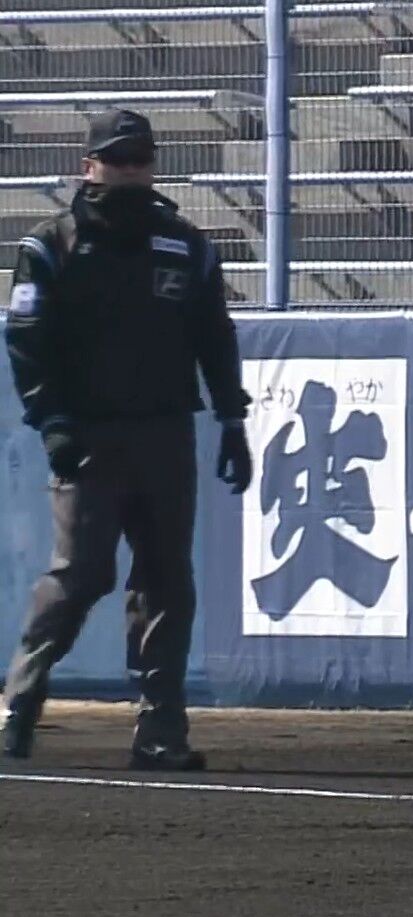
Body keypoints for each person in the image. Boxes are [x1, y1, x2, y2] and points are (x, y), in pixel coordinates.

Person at [2, 109, 253, 770]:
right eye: (117, 159)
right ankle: (20, 700)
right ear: (88, 167)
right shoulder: (50, 246)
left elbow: (215, 337)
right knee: (82, 574)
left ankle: (161, 730)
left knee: (168, 580)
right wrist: (52, 422)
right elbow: (26, 341)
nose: (131, 170)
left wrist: (232, 421)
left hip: (165, 435)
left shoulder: (186, 246)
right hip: (87, 436)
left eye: (141, 159)